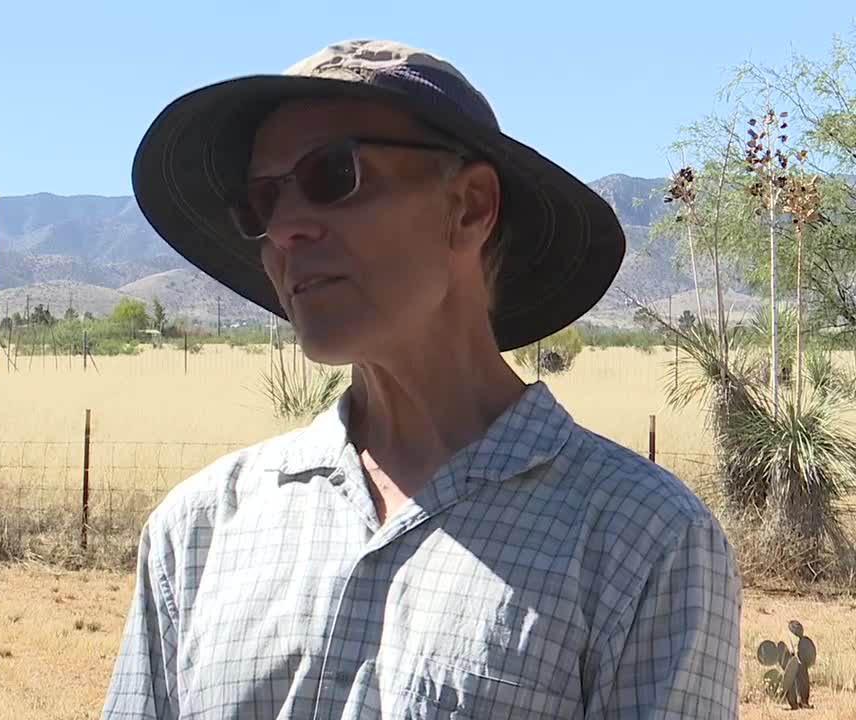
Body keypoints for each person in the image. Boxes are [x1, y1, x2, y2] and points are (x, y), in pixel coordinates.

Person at [101, 39, 742, 719]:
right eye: (261, 203)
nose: (284, 228)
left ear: (469, 206)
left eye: (331, 175)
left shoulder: (639, 542)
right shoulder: (200, 529)